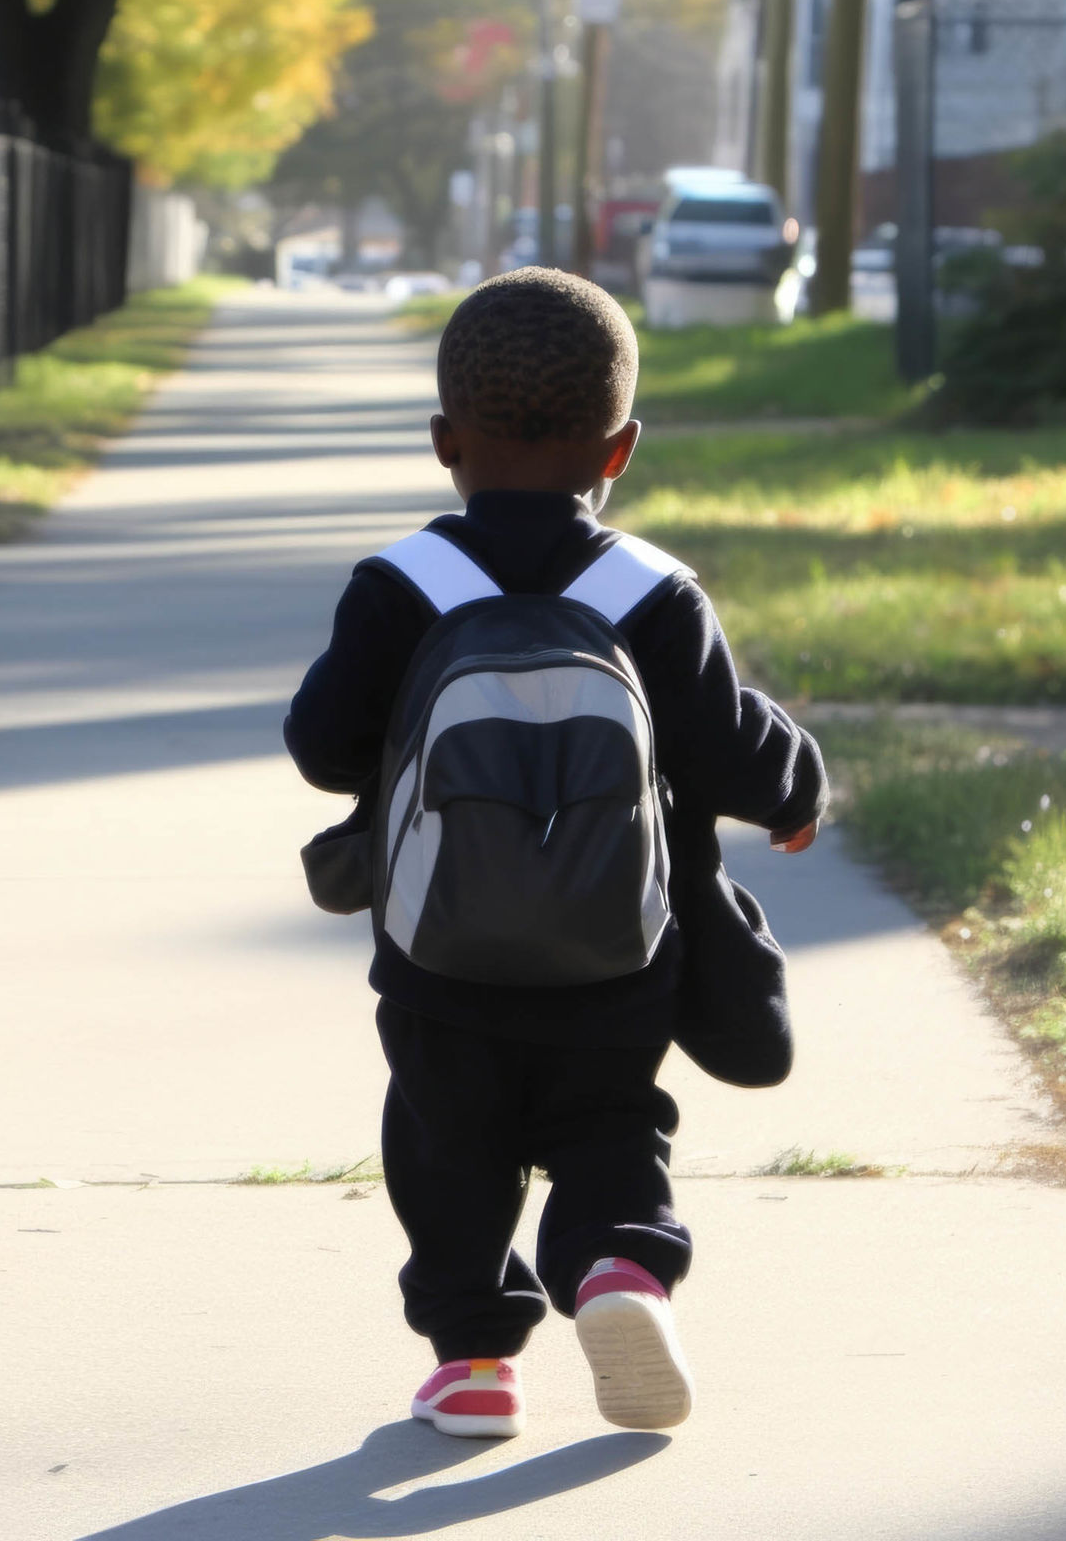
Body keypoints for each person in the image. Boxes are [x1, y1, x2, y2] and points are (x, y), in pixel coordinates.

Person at [283, 267, 825, 1438]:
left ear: (443, 440)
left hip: (437, 954)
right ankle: (618, 1265)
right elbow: (727, 750)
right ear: (618, 449)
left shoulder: (401, 585)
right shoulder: (650, 593)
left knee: (446, 1140)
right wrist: (797, 787)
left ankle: (474, 1361)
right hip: (619, 950)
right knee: (609, 1121)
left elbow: (321, 749)